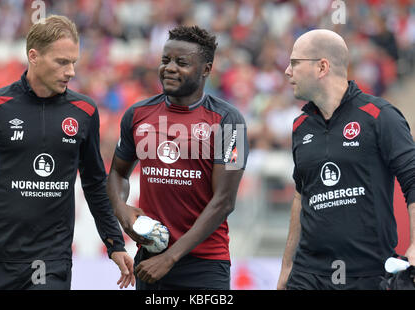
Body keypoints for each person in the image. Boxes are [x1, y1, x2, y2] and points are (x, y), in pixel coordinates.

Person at [0, 15, 134, 290]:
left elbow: (94, 183)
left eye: (74, 62)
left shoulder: (84, 112)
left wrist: (114, 243)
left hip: (50, 262)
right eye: (62, 62)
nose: (71, 72)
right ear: (34, 56)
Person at [107, 25, 249, 290]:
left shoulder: (230, 123)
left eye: (181, 63)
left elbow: (224, 201)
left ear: (206, 69)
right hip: (149, 260)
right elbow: (117, 173)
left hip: (204, 265)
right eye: (165, 60)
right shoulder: (137, 114)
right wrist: (122, 210)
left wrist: (170, 258)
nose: (170, 68)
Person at [277, 29, 415, 290]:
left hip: (367, 275)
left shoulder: (380, 116)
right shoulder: (300, 126)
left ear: (322, 67)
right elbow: (301, 195)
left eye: (294, 63)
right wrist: (287, 267)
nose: (287, 71)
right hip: (307, 275)